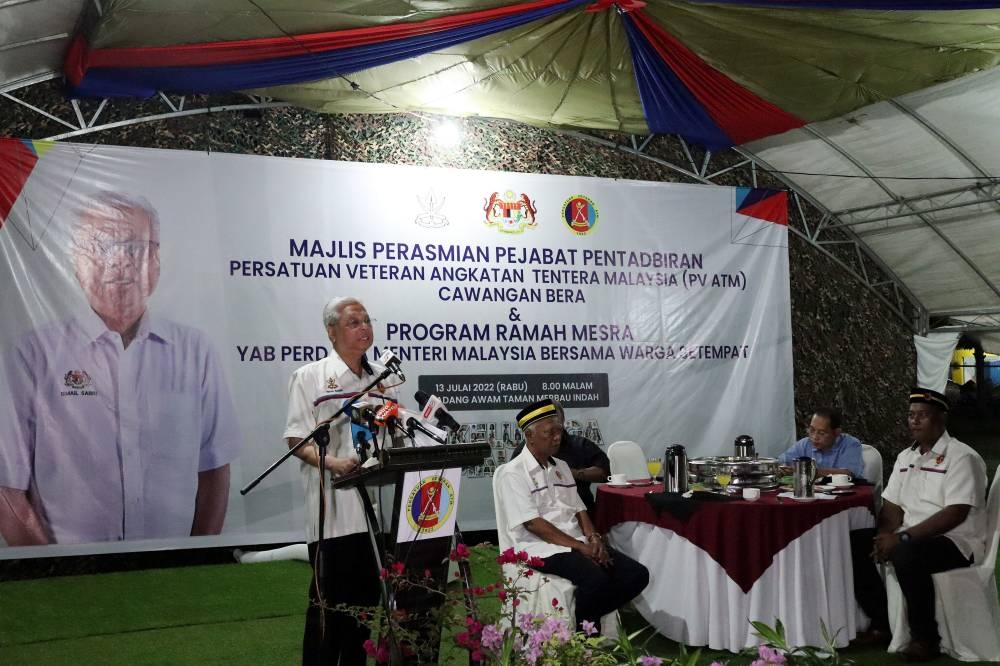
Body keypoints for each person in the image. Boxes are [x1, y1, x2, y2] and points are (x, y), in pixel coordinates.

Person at [0, 191, 240, 545]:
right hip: (74, 576)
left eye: (132, 248)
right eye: (99, 247)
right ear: (74, 261)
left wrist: (195, 559)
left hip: (172, 570)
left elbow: (215, 470)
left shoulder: (195, 351)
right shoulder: (32, 355)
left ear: (156, 259)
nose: (118, 263)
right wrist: (51, 572)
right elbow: (8, 489)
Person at [283, 296, 400, 666]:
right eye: (353, 322)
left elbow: (395, 435)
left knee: (364, 611)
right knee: (327, 611)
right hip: (332, 514)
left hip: (375, 515)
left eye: (367, 320)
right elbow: (296, 439)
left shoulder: (383, 377)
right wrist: (333, 462)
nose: (364, 327)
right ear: (331, 332)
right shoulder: (311, 377)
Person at [851, 388, 988, 662]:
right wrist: (884, 536)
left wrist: (902, 539)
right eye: (911, 415)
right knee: (856, 543)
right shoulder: (906, 457)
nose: (914, 421)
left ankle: (926, 639)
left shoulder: (961, 457)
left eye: (922, 416)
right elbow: (891, 507)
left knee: (907, 553)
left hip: (956, 541)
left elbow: (955, 514)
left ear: (940, 419)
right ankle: (882, 625)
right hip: (912, 536)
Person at [497, 398, 649, 632]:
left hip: (575, 542)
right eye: (549, 432)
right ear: (530, 436)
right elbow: (533, 524)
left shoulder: (562, 467)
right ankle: (586, 637)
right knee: (596, 578)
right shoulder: (513, 473)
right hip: (539, 547)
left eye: (558, 430)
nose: (557, 437)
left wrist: (594, 538)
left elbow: (579, 510)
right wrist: (580, 548)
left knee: (636, 575)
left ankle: (583, 624)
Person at [510, 400, 610, 513]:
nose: (556, 437)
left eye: (557, 427)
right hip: (542, 516)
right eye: (548, 430)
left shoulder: (579, 446)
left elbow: (606, 473)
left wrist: (574, 473)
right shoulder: (522, 454)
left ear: (562, 421)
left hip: (581, 515)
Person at [777, 407, 865, 479]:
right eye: (812, 430)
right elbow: (781, 461)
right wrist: (782, 468)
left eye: (821, 433)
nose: (814, 437)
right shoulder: (805, 444)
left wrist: (809, 471)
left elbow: (849, 473)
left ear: (836, 433)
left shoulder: (850, 444)